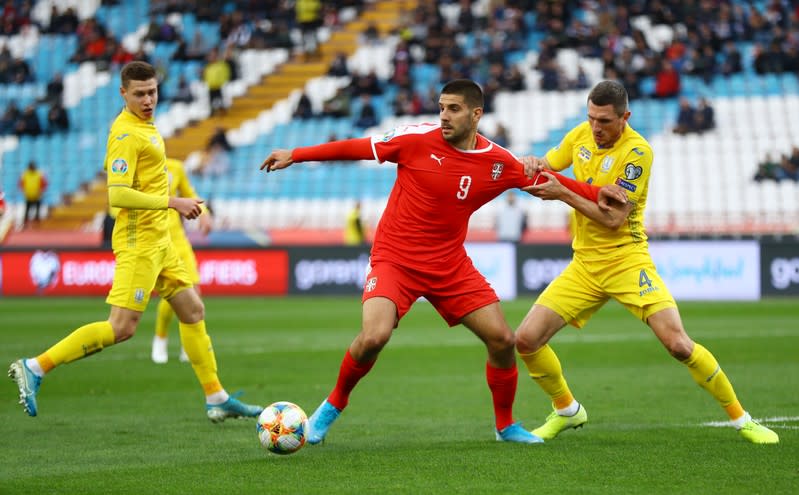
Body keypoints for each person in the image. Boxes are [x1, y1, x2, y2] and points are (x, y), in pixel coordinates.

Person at [260, 79, 626, 445]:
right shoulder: (414, 139)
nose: (444, 116)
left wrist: (597, 192)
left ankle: (505, 426)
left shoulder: (498, 163)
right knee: (374, 336)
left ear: (476, 114)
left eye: (453, 109)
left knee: (502, 339)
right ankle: (331, 406)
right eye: (441, 108)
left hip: (449, 265)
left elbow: (547, 178)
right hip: (395, 259)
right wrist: (297, 153)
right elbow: (358, 147)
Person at [514, 80, 779, 445]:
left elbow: (611, 219)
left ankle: (742, 419)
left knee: (679, 345)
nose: (595, 127)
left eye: (604, 121)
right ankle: (567, 410)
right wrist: (532, 163)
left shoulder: (638, 152)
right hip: (585, 265)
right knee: (526, 339)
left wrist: (561, 191)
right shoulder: (580, 136)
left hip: (627, 260)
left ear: (625, 117)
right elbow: (546, 165)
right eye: (591, 118)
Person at [9, 61, 261, 423]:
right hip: (138, 240)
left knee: (193, 311)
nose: (147, 100)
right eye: (139, 94)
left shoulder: (147, 125)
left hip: (161, 239)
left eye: (152, 92)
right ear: (123, 93)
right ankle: (35, 367)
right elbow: (117, 196)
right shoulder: (125, 135)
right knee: (121, 327)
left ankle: (215, 396)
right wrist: (173, 202)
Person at [151, 157, 213, 364]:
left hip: (178, 239)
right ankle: (160, 339)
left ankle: (190, 344)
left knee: (193, 291)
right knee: (173, 293)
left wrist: (204, 213)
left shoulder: (175, 167)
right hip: (155, 239)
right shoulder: (142, 166)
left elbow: (190, 194)